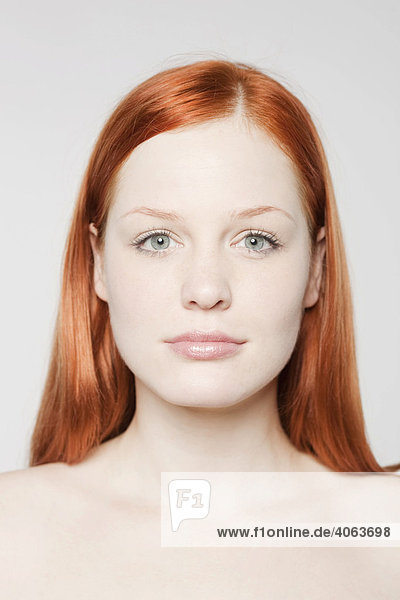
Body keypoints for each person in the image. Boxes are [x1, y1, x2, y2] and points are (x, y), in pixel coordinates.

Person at [0, 58, 399, 597]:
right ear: (97, 264)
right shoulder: (11, 531)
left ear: (316, 269)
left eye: (256, 240)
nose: (206, 290)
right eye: (158, 240)